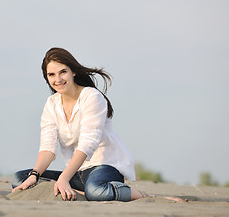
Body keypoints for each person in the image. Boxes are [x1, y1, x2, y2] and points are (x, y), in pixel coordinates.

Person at [12, 47, 145, 202]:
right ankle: (75, 190)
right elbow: (48, 148)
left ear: (73, 71)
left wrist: (64, 178)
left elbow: (87, 144)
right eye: (52, 74)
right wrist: (35, 175)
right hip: (77, 172)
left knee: (96, 192)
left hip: (105, 166)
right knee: (20, 178)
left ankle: (142, 196)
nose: (58, 79)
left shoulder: (91, 97)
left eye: (63, 72)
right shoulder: (51, 104)